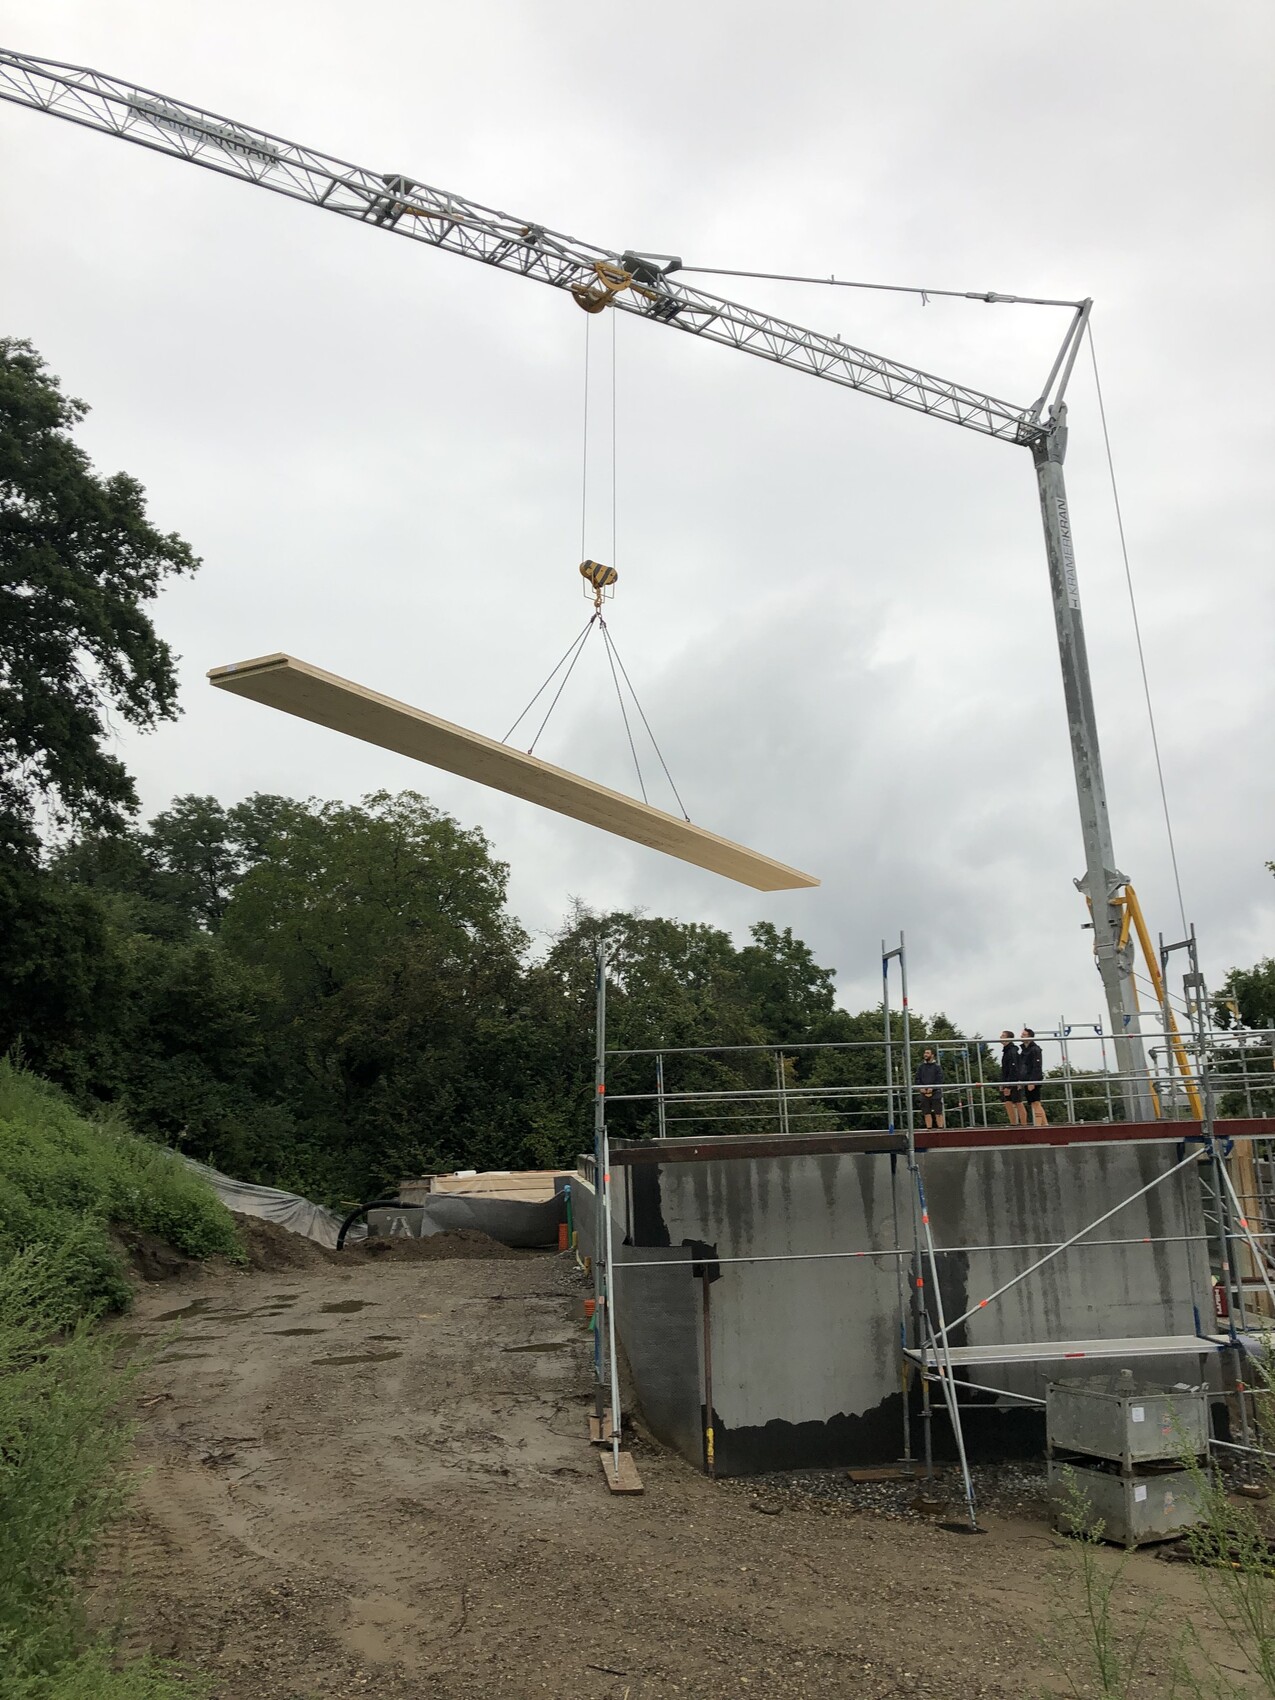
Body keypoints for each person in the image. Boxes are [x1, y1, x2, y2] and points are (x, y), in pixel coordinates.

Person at [1019, 1027, 1047, 1127]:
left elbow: (1037, 1066)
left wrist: (1033, 1081)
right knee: (1033, 1102)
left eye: (1024, 1035)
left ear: (1030, 1037)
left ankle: (1039, 1125)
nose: (1021, 1036)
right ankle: (1044, 1124)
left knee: (1035, 1102)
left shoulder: (1035, 1049)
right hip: (1027, 1079)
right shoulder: (1024, 1050)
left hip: (1033, 1079)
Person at [915, 1047, 945, 1129]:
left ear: (932, 1055)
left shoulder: (937, 1067)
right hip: (923, 1092)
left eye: (927, 1053)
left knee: (938, 1111)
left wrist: (933, 1087)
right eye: (925, 1053)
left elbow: (940, 1079)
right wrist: (921, 1088)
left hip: (936, 1092)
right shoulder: (921, 1067)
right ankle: (929, 1129)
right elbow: (917, 1078)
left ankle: (940, 1129)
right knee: (926, 1112)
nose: (925, 1054)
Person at [999, 1030, 1024, 1127]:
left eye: (1003, 1036)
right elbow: (1006, 1069)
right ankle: (1014, 1123)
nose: (1001, 1037)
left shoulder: (1011, 1051)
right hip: (1009, 1080)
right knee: (1008, 1102)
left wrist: (1008, 1085)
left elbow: (1013, 1068)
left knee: (1017, 1102)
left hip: (1013, 1080)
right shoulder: (1007, 1051)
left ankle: (1024, 1124)